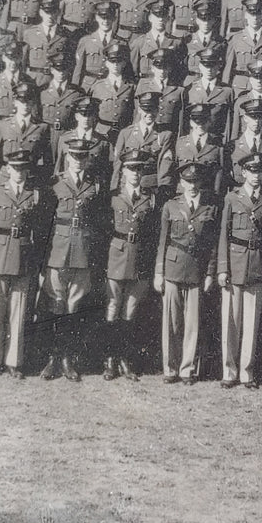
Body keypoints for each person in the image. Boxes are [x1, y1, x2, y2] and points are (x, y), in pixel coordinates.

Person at [41, 138, 107, 381]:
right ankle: (52, 358)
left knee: (74, 308)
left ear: (88, 159)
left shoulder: (95, 186)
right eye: (74, 156)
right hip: (57, 251)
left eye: (83, 157)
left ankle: (69, 360)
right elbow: (45, 222)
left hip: (82, 252)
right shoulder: (54, 183)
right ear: (67, 157)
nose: (78, 161)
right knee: (55, 305)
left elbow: (99, 223)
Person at [217, 153, 262, 389]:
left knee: (251, 324)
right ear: (243, 173)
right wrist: (222, 268)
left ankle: (247, 373)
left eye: (259, 171)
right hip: (234, 265)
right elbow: (223, 234)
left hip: (257, 266)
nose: (255, 176)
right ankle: (229, 371)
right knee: (231, 322)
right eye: (251, 171)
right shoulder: (232, 199)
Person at [153, 163, 220, 384]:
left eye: (195, 182)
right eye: (187, 182)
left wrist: (210, 272)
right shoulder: (171, 206)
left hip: (196, 270)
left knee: (192, 323)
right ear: (181, 183)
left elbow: (211, 245)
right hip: (172, 267)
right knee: (170, 322)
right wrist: (159, 273)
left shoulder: (210, 208)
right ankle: (170, 368)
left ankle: (187, 369)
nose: (192, 186)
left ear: (200, 183)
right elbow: (162, 242)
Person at [0, 150, 43, 378]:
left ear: (27, 171)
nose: (18, 172)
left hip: (23, 256)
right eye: (14, 168)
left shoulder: (34, 195)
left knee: (17, 313)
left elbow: (37, 230)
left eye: (22, 168)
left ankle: (13, 362)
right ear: (7, 169)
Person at [104, 154, 159, 381]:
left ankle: (126, 360)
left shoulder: (151, 200)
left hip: (140, 259)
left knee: (130, 311)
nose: (135, 174)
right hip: (116, 257)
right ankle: (109, 361)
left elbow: (154, 234)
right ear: (123, 171)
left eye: (139, 170)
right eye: (131, 169)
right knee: (112, 308)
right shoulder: (113, 198)